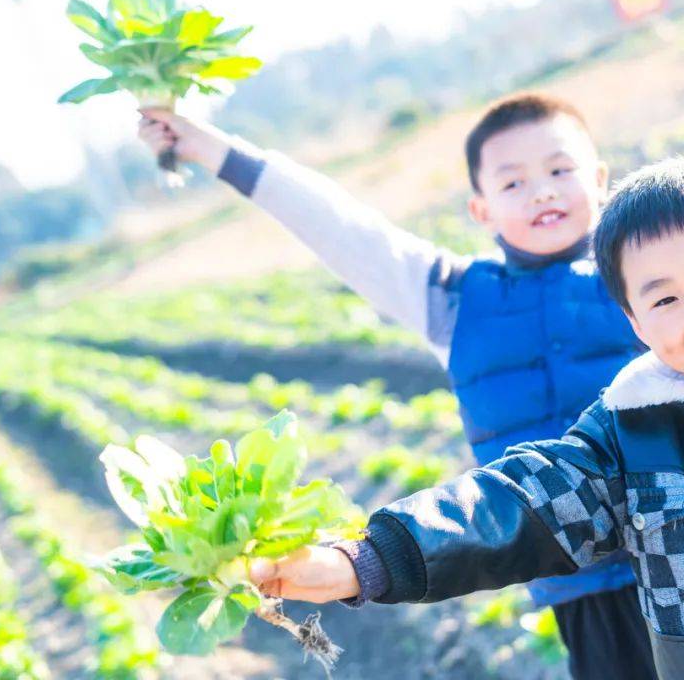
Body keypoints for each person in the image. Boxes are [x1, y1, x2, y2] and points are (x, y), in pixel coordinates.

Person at [247, 157, 684, 679]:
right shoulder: (628, 437)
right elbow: (517, 505)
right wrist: (363, 561)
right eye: (665, 299)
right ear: (632, 320)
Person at [139, 93, 656, 678]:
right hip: (580, 582)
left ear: (601, 180)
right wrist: (208, 147)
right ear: (480, 210)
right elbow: (342, 227)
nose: (542, 191)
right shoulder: (454, 298)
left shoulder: (651, 267)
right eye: (513, 183)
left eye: (561, 171)